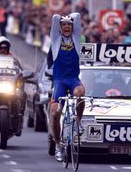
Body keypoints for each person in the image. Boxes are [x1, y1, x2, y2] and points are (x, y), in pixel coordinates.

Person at [49, 13, 85, 162]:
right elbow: (55, 18)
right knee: (55, 114)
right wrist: (62, 18)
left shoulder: (76, 40)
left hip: (73, 79)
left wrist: (70, 18)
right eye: (64, 25)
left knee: (81, 92)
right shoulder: (56, 40)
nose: (66, 26)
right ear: (60, 27)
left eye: (69, 24)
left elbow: (77, 16)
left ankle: (79, 122)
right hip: (59, 82)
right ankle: (58, 146)